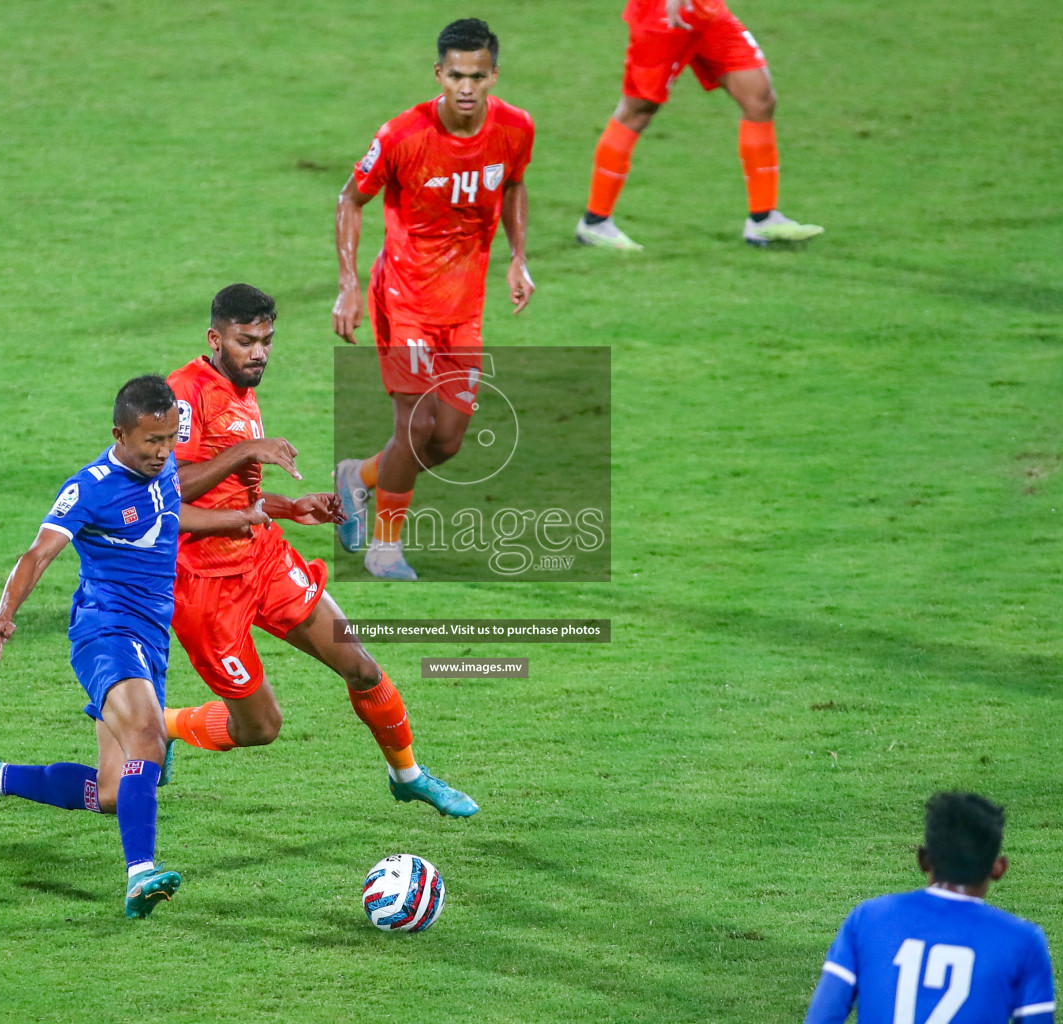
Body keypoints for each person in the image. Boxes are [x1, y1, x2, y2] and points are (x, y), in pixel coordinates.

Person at [0, 375, 269, 919]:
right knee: (148, 735)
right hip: (105, 631)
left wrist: (238, 518)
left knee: (112, 794)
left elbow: (167, 512)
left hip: (152, 635)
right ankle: (140, 877)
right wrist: (4, 612)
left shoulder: (162, 465)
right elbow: (38, 554)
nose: (163, 452)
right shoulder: (90, 487)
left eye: (171, 439)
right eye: (152, 442)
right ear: (119, 434)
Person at [162, 283, 478, 817]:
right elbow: (167, 495)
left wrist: (290, 508)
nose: (259, 353)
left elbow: (237, 492)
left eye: (266, 340)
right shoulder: (184, 394)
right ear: (215, 338)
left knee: (361, 666)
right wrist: (248, 450)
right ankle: (163, 724)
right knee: (261, 728)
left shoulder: (241, 387)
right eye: (246, 342)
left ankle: (408, 774)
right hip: (206, 589)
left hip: (262, 558)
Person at [331, 17, 535, 580]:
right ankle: (385, 547)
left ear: (493, 74)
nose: (465, 88)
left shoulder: (516, 129)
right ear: (438, 74)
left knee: (446, 441)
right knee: (416, 426)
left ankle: (357, 477)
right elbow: (350, 199)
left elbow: (515, 184)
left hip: (462, 309)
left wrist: (518, 257)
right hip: (404, 298)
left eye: (477, 76)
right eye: (455, 76)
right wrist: (349, 284)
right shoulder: (402, 135)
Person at [575, 0, 823, 249]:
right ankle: (595, 222)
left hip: (707, 13)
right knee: (638, 111)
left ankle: (763, 219)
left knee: (760, 99)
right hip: (660, 16)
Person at [804, 792, 1056, 1024]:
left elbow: (823, 1017)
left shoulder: (869, 919)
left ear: (923, 859)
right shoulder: (1022, 942)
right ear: (999, 867)